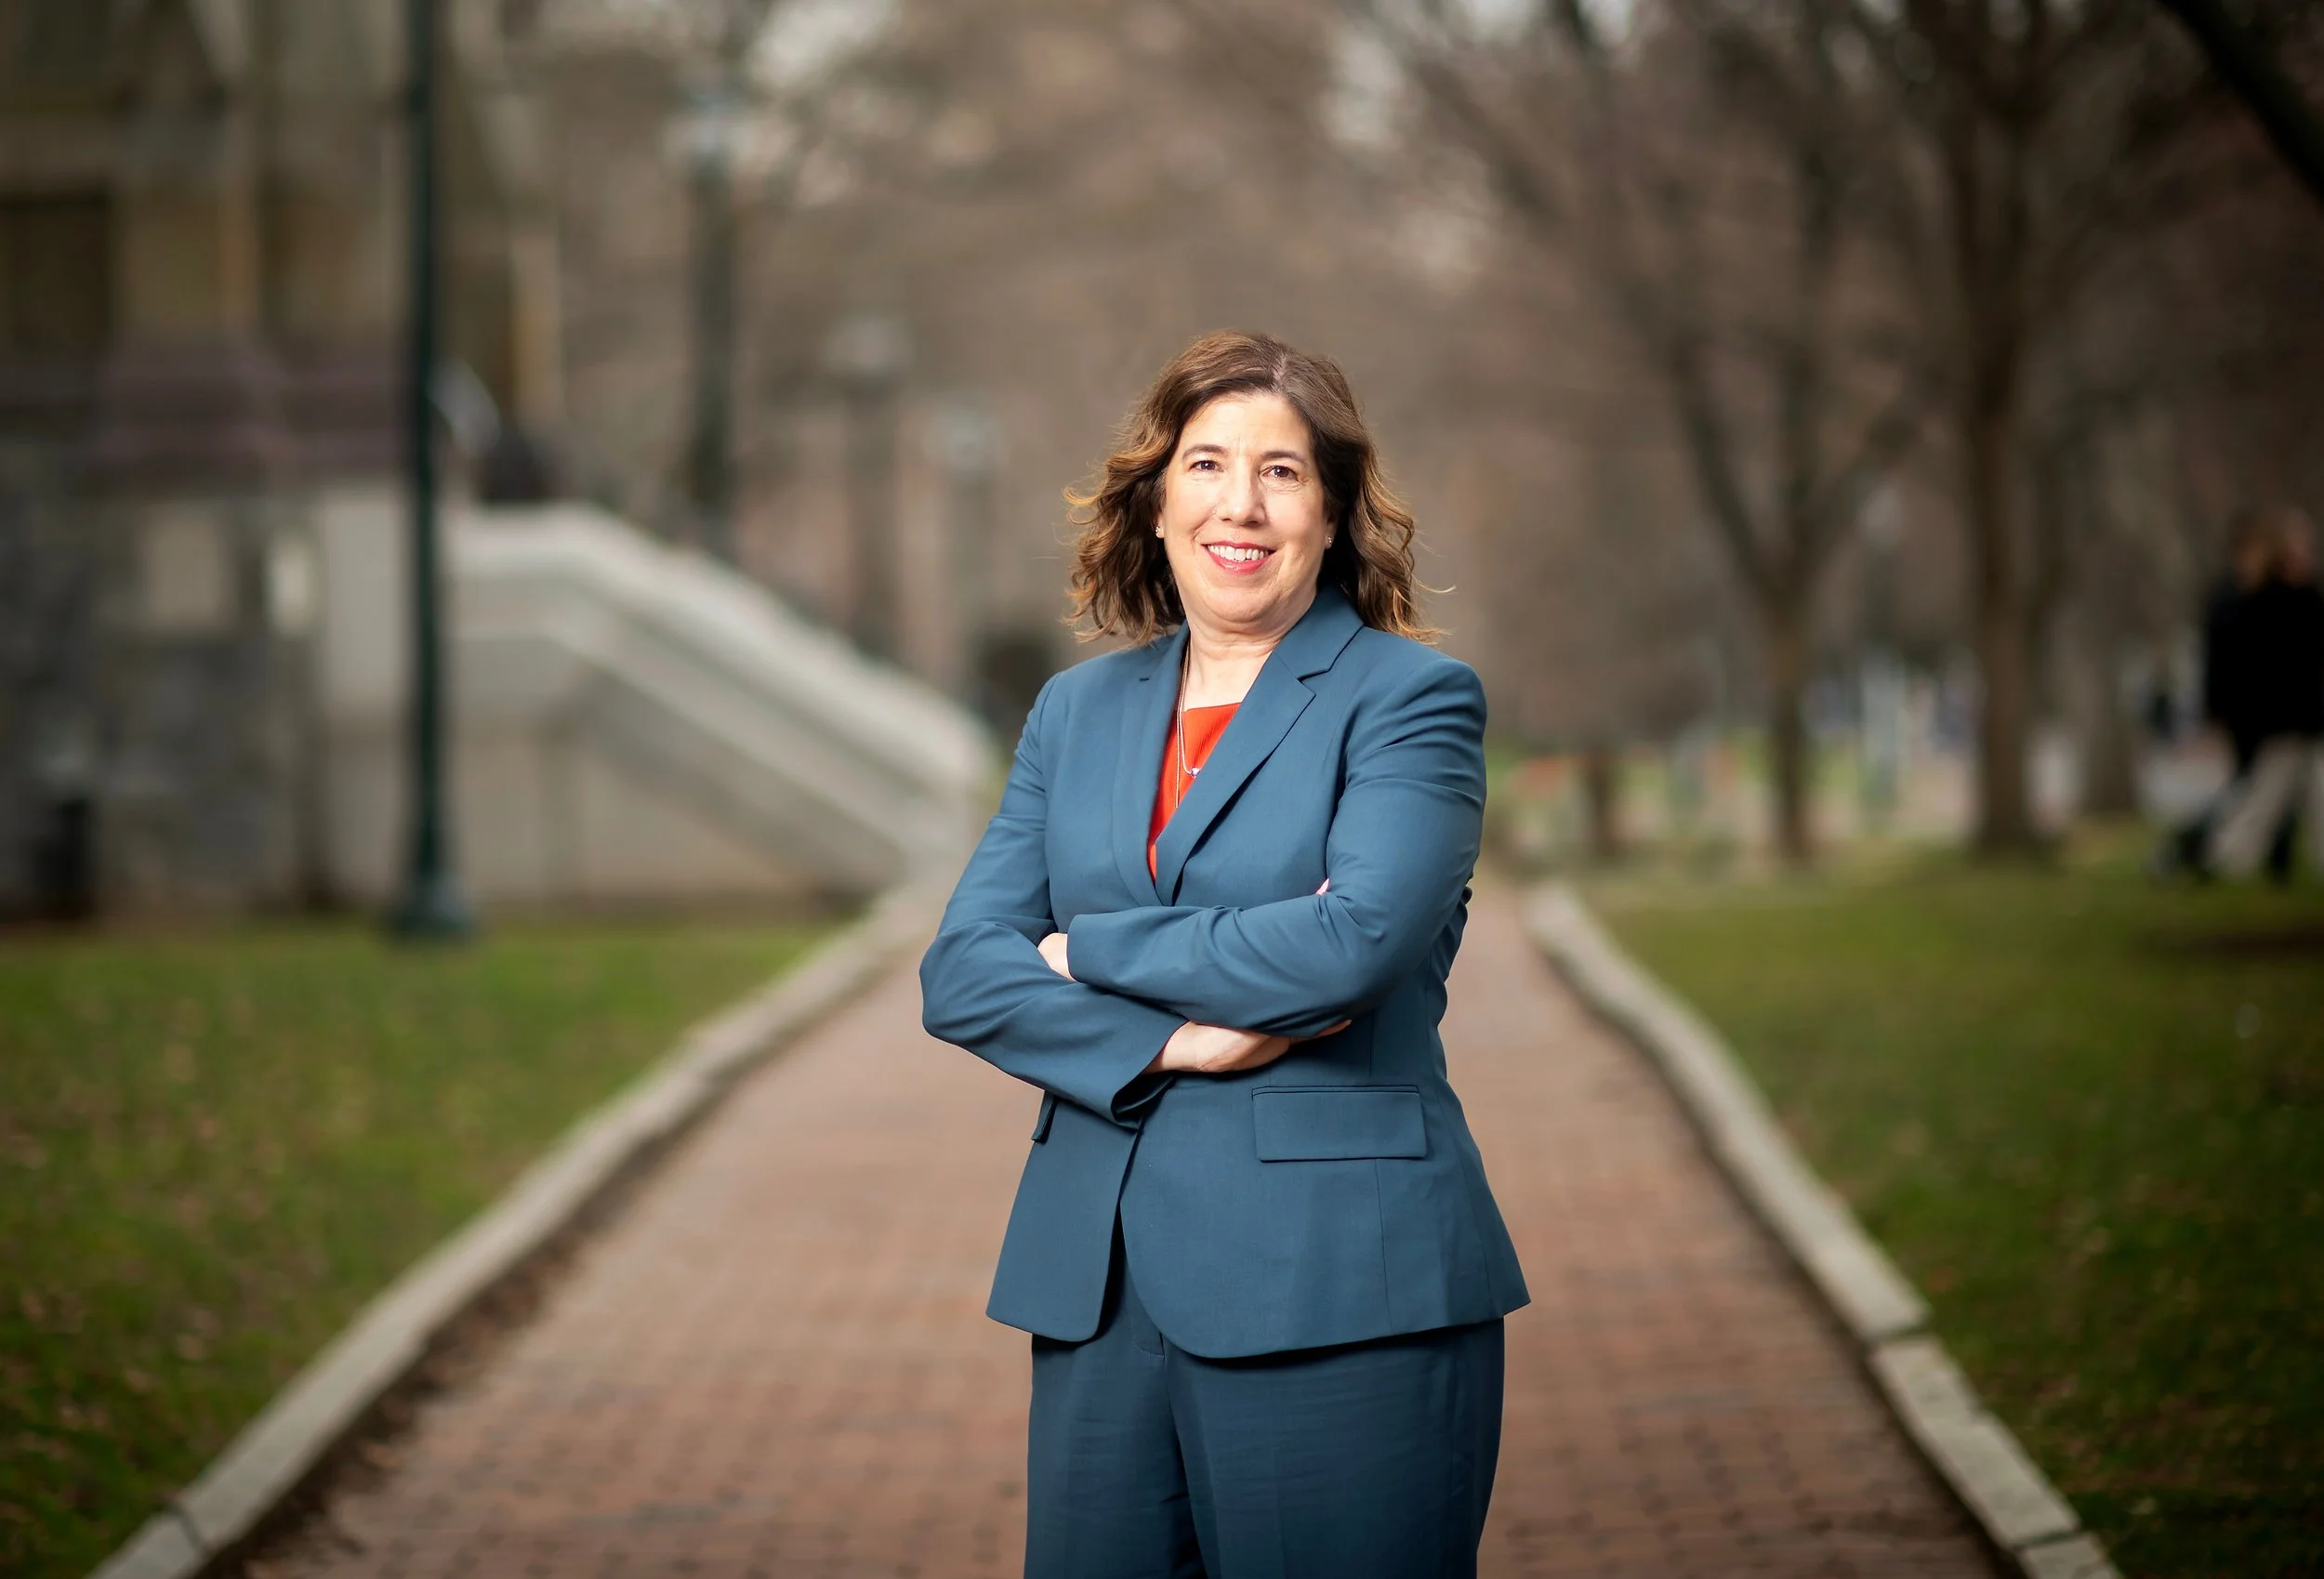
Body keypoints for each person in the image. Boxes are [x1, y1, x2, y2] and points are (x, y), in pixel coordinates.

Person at [919, 330, 1528, 1579]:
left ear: (1334, 510)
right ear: (1153, 502)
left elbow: (1348, 942)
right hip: (1098, 1294)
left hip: (1341, 1286)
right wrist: (1170, 1035)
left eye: (1282, 472)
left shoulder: (1409, 698)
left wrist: (1082, 947)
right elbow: (965, 970)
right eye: (1205, 464)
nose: (1238, 504)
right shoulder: (1075, 712)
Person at [2207, 507, 2324, 879]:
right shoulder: (2261, 598)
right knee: (2266, 795)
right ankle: (2226, 856)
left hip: (2305, 718)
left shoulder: (2306, 595)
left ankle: (2234, 856)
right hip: (2279, 719)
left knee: (2312, 794)